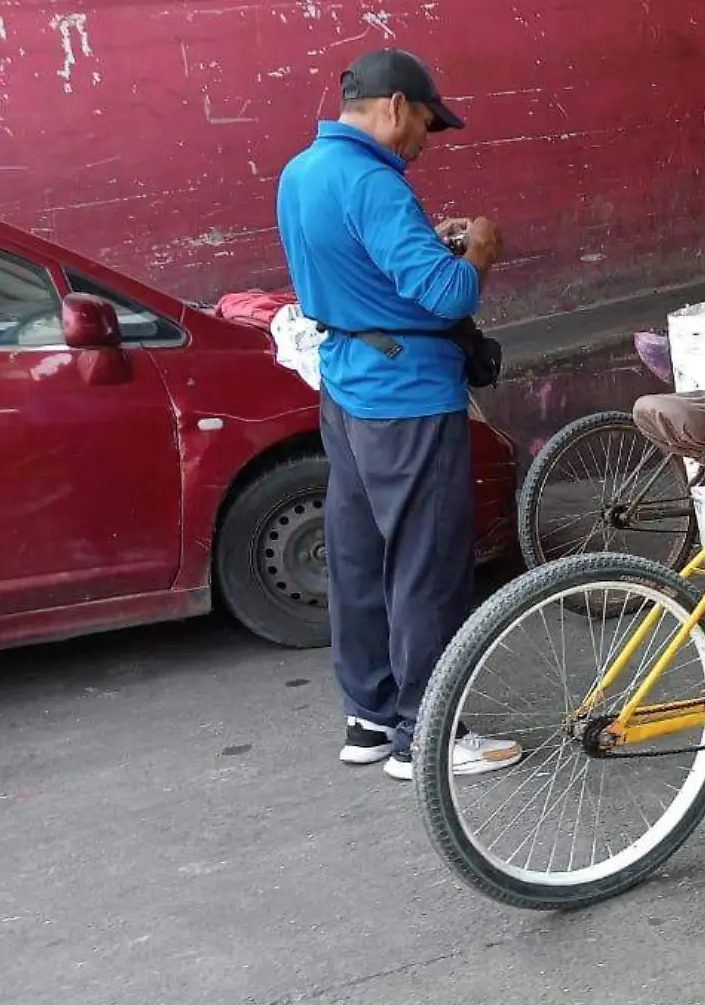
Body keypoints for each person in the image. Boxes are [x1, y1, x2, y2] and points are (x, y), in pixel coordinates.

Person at [276, 49, 520, 781]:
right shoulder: (373, 183)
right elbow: (446, 296)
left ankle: (370, 717)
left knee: (358, 554)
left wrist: (426, 244)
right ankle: (430, 729)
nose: (425, 139)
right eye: (424, 121)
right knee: (425, 561)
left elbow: (357, 268)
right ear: (391, 107)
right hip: (407, 397)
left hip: (346, 386)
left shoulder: (301, 173)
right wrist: (477, 249)